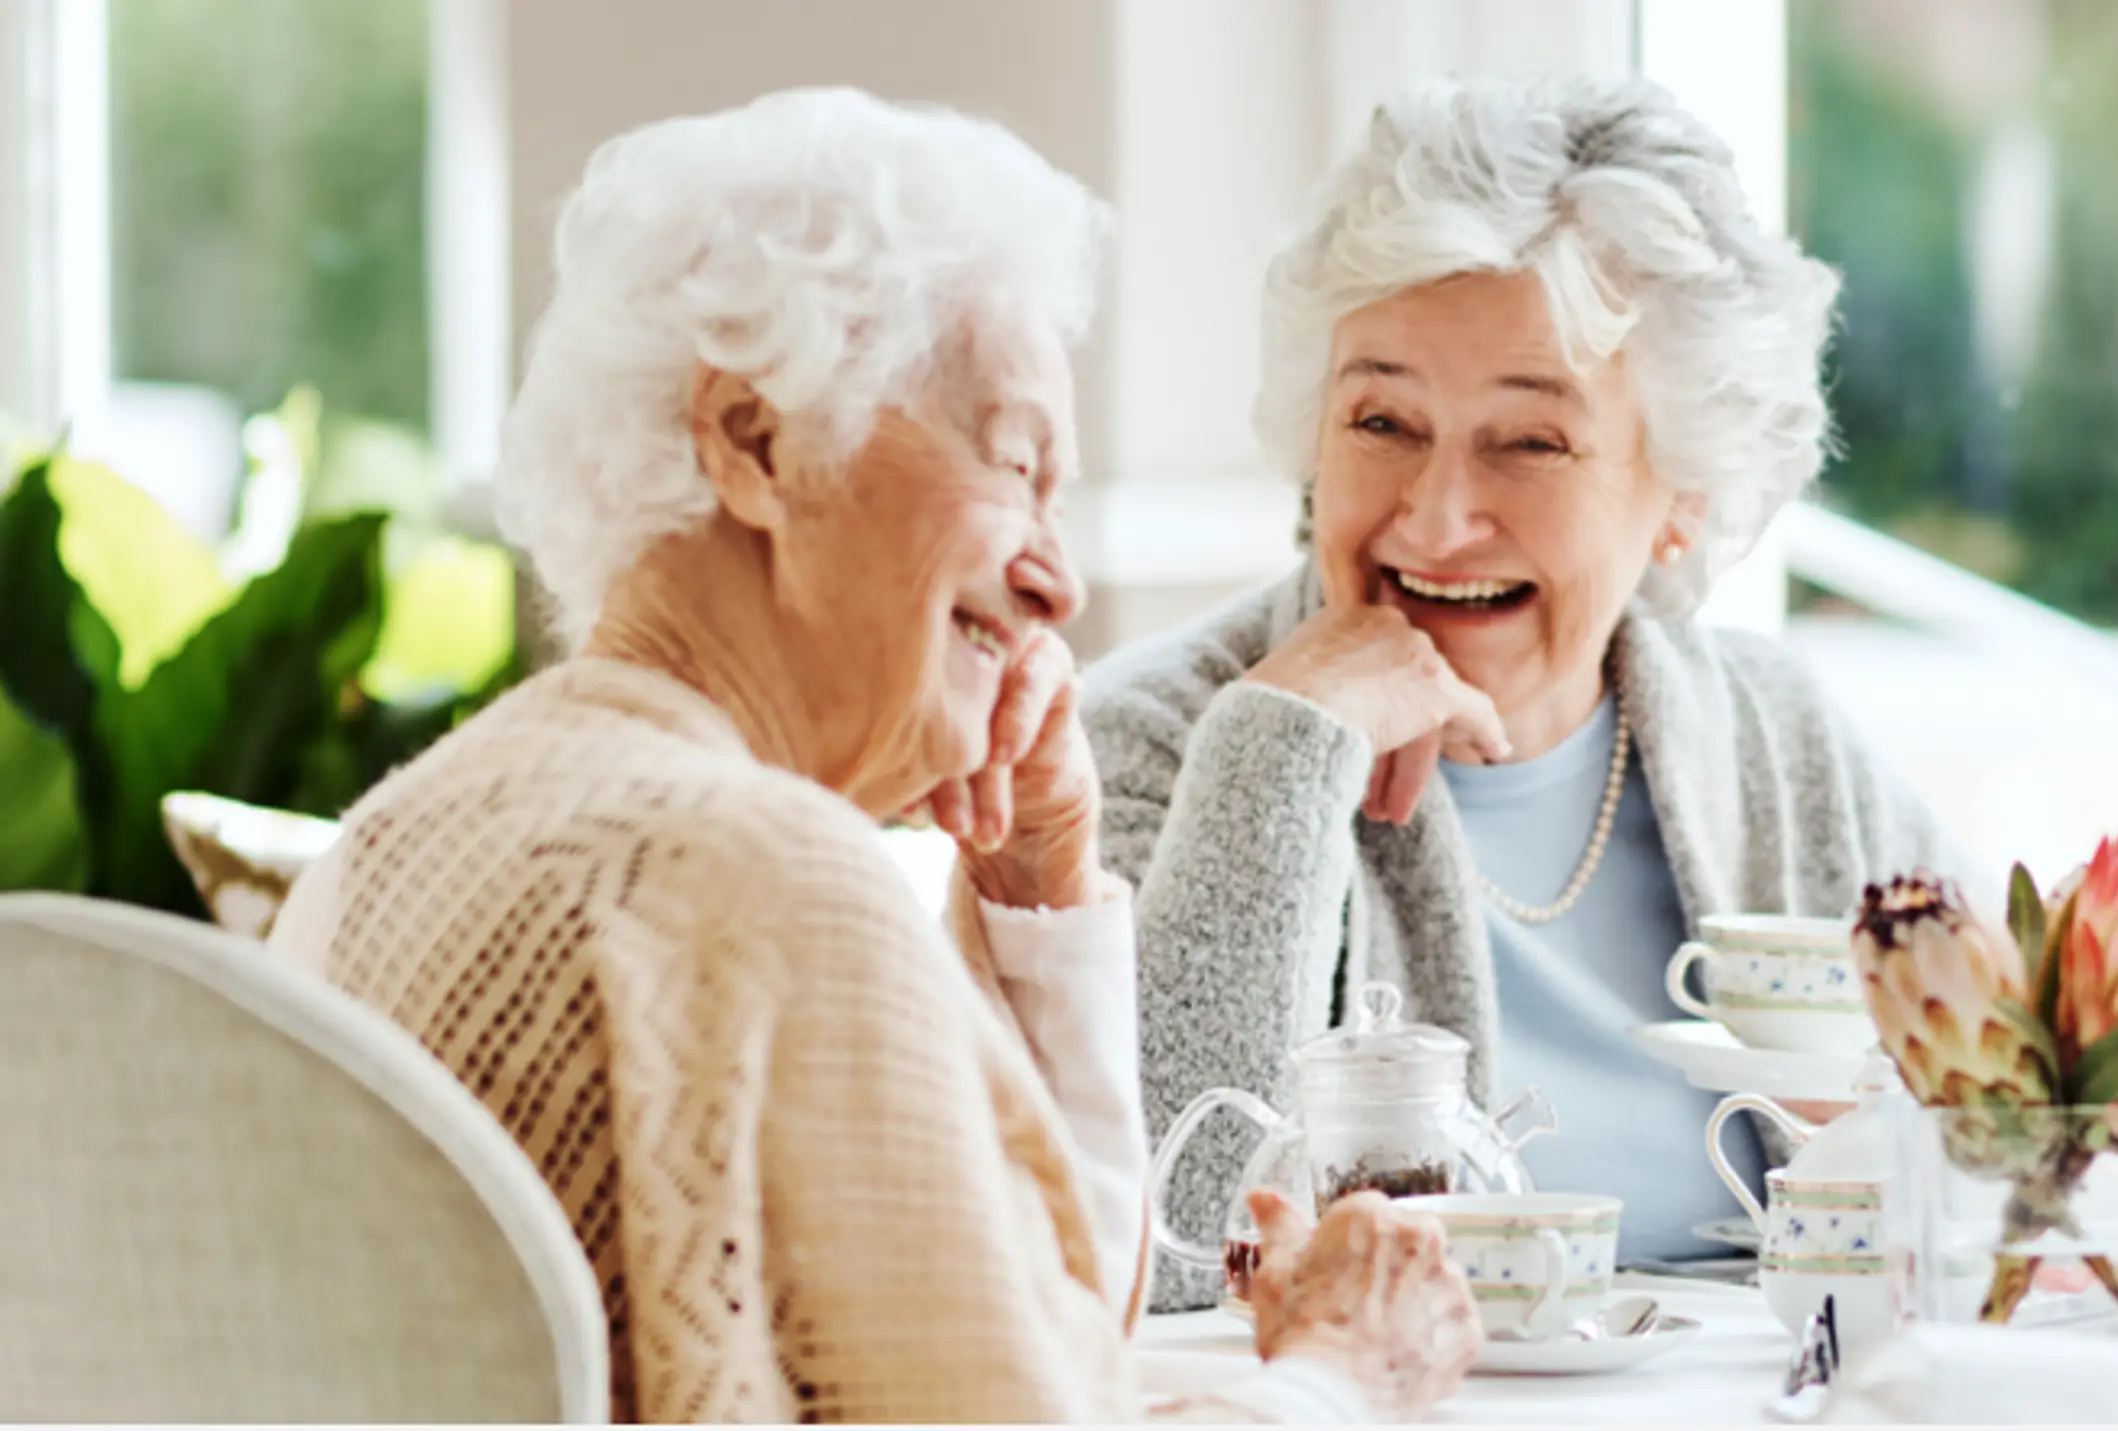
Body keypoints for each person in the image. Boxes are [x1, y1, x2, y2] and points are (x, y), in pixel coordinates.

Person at [270, 88, 1477, 1421]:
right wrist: (1345, 1373)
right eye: (1014, 465)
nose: (1058, 579)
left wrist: (1038, 890)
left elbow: (1032, 1338)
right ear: (752, 439)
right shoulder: (770, 882)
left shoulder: (395, 832)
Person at [1083, 76, 1955, 1306]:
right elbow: (1150, 1252)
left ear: (1685, 497)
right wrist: (1281, 756)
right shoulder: (1151, 743)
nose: (1435, 519)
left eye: (1529, 441)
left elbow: (2017, 1153)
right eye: (1382, 420)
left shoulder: (1777, 739)